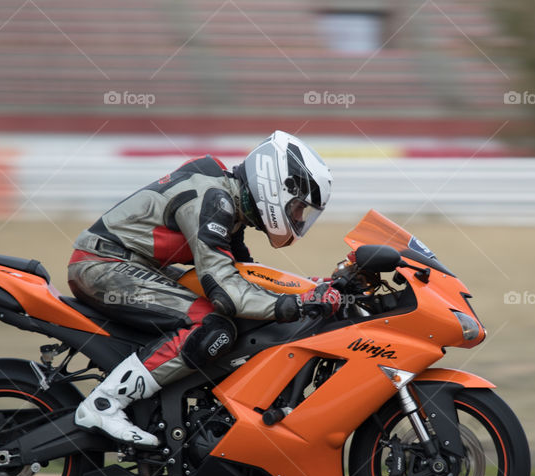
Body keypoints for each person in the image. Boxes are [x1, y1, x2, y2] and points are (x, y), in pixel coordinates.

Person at [68, 131, 338, 447]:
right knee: (214, 327)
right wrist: (299, 304)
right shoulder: (214, 199)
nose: (297, 217)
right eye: (296, 208)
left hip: (128, 265)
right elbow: (227, 293)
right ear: (277, 185)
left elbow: (247, 276)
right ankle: (104, 404)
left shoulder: (229, 203)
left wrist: (309, 288)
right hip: (102, 266)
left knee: (234, 322)